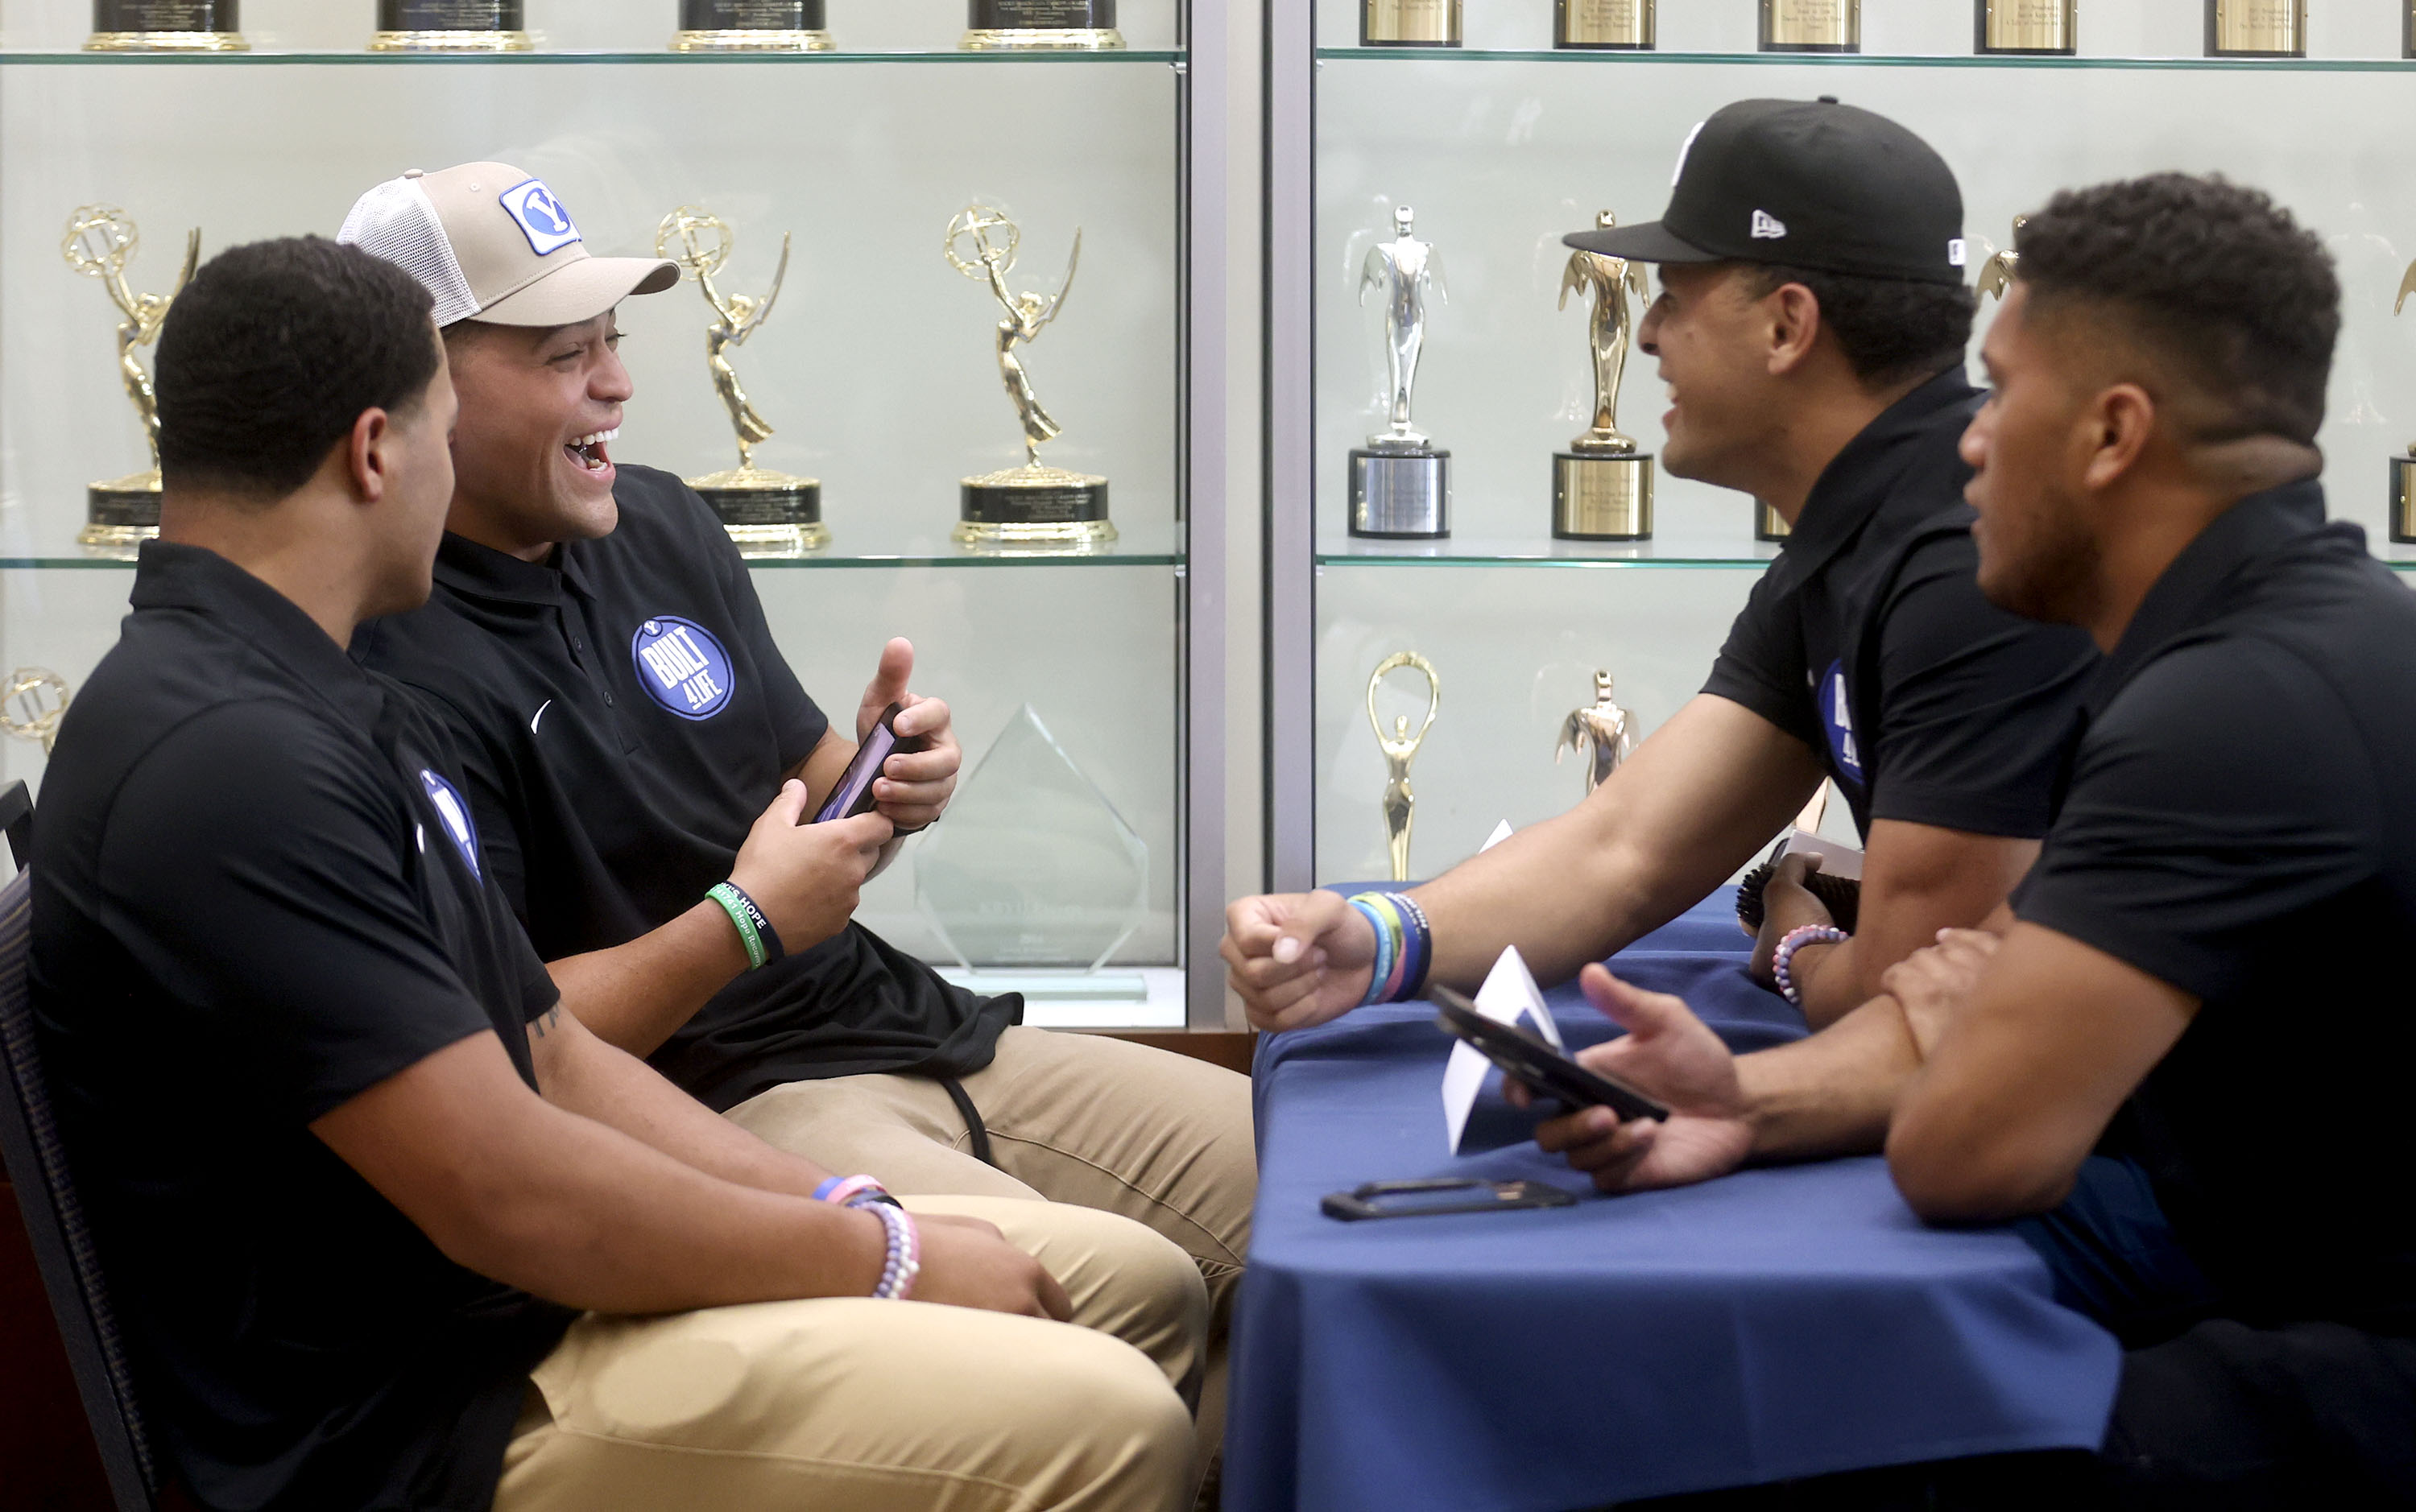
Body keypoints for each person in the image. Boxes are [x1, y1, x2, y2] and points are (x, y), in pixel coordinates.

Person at [30, 235, 1198, 1512]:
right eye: (441, 421)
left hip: (517, 1317)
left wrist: (846, 1206)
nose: (611, 387)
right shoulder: (228, 763)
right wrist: (887, 1255)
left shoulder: (307, 694)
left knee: (1139, 1290)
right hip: (431, 1420)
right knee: (1110, 1418)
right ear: (377, 452)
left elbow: (554, 1056)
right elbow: (506, 1190)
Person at [335, 163, 1254, 1463]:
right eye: (561, 355)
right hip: (722, 1099)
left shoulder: (655, 518)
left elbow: (799, 773)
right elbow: (506, 1049)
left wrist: (885, 780)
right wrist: (747, 924)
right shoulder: (384, 658)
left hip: (900, 1016)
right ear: (423, 389)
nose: (616, 383)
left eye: (612, 342)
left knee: (1324, 1195)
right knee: (1083, 1306)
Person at [1532, 174, 2416, 1502]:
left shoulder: (2225, 710)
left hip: (2354, 1371)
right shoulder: (2275, 639)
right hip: (2261, 1259)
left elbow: (1964, 1148)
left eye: (2002, 395)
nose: (1968, 442)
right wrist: (1738, 1104)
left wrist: (1943, 1006)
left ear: (2112, 433)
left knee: (1756, 1428)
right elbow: (1973, 983)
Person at [1223, 97, 2100, 1033]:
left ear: (1786, 327)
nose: (1643, 335)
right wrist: (1375, 938)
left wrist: (1799, 948)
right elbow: (1624, 848)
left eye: (1674, 298)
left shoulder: (1965, 558)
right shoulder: (1868, 530)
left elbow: (1929, 1011)